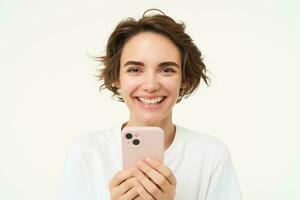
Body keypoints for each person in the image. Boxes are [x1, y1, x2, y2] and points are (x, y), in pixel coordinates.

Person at [59, 9, 242, 200]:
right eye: (135, 69)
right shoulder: (87, 153)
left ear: (184, 79)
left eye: (166, 69)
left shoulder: (211, 155)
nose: (150, 85)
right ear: (116, 78)